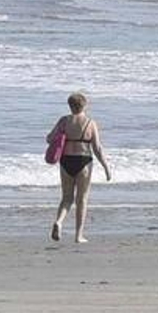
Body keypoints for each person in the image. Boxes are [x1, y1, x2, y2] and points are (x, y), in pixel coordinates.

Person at [47, 93, 113, 244]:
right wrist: (106, 167)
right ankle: (78, 236)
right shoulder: (90, 123)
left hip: (65, 161)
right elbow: (97, 148)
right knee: (82, 199)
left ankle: (59, 221)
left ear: (69, 106)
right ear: (85, 105)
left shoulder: (64, 121)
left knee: (66, 198)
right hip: (83, 161)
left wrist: (58, 139)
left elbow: (49, 138)